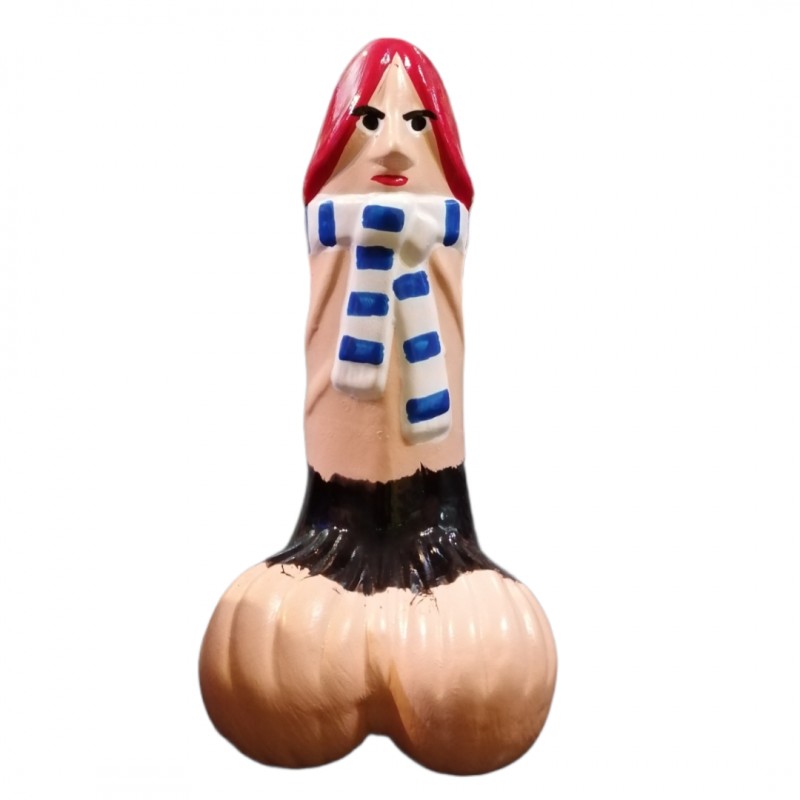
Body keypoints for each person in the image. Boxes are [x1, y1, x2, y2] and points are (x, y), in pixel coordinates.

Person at [200, 39, 556, 774]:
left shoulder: (440, 229)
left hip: (436, 501)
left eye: (417, 124)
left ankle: (444, 574)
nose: (393, 145)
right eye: (369, 121)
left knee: (492, 667)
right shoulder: (335, 228)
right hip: (335, 505)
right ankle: (331, 571)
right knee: (263, 659)